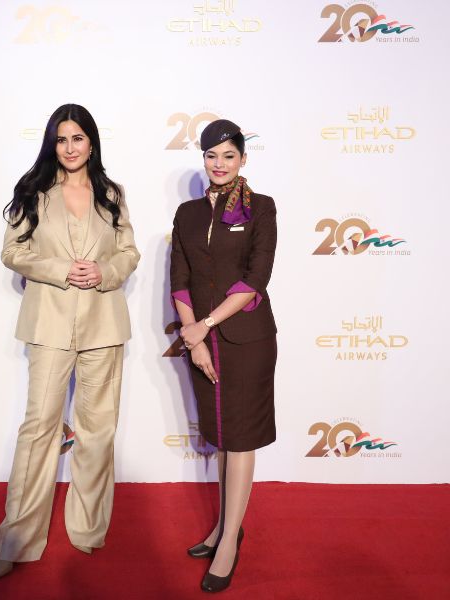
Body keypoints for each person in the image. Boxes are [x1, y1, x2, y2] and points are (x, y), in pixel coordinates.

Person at [0, 104, 140, 579]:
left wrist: (104, 271)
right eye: (62, 139)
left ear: (91, 143)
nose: (70, 147)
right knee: (39, 428)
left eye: (78, 138)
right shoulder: (33, 190)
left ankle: (87, 529)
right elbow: (12, 251)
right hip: (49, 324)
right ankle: (17, 538)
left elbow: (129, 252)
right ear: (52, 144)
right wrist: (60, 269)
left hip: (104, 325)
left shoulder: (112, 193)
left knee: (98, 431)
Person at [169, 119, 277, 593]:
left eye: (228, 155)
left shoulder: (261, 208)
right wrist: (194, 340)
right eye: (211, 155)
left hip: (246, 340)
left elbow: (255, 279)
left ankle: (230, 538)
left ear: (243, 159)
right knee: (220, 436)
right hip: (202, 342)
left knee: (241, 438)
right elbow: (179, 277)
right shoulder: (188, 213)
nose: (219, 164)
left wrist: (204, 326)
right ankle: (221, 527)